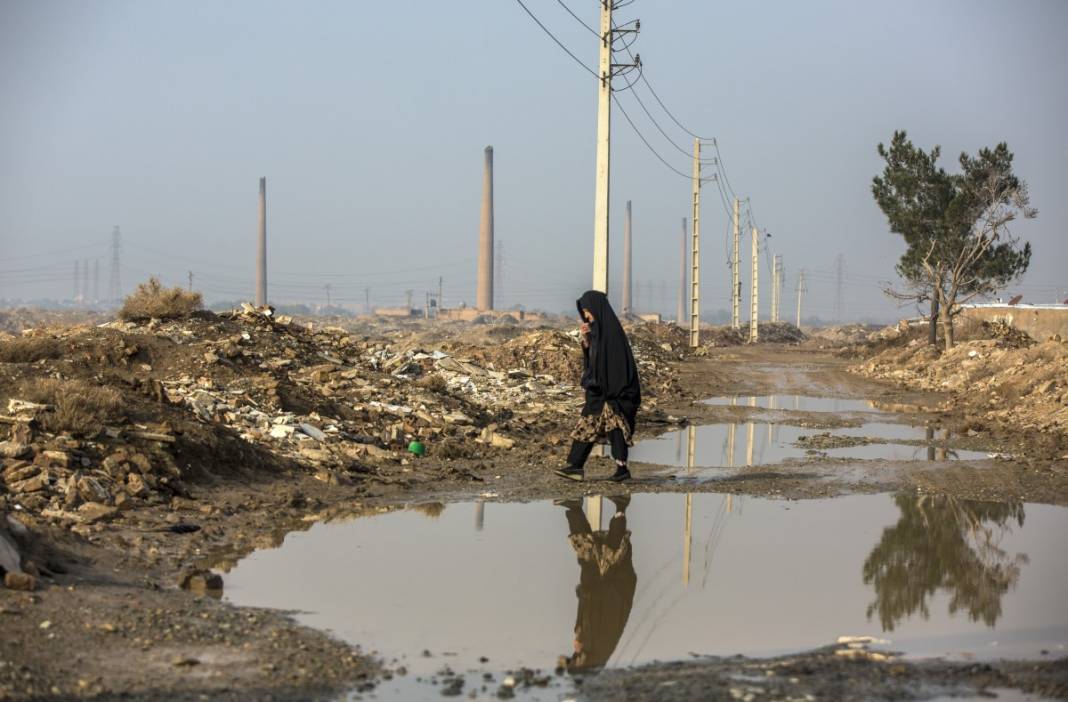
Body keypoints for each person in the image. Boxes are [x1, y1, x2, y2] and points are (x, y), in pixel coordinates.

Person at [555, 290, 641, 482]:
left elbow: (618, 367)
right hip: (598, 391)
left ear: (597, 309)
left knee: (615, 426)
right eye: (584, 312)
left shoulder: (612, 334)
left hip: (615, 391)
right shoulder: (596, 333)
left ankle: (621, 469)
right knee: (587, 424)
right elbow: (593, 362)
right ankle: (575, 466)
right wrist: (586, 342)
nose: (586, 316)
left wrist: (612, 391)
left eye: (588, 311)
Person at [557, 495, 637, 672]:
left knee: (586, 553)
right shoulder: (601, 644)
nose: (575, 652)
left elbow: (584, 608)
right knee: (609, 556)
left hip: (596, 587)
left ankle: (574, 507)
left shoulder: (592, 645)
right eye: (576, 656)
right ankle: (621, 506)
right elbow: (603, 606)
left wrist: (579, 635)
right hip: (615, 584)